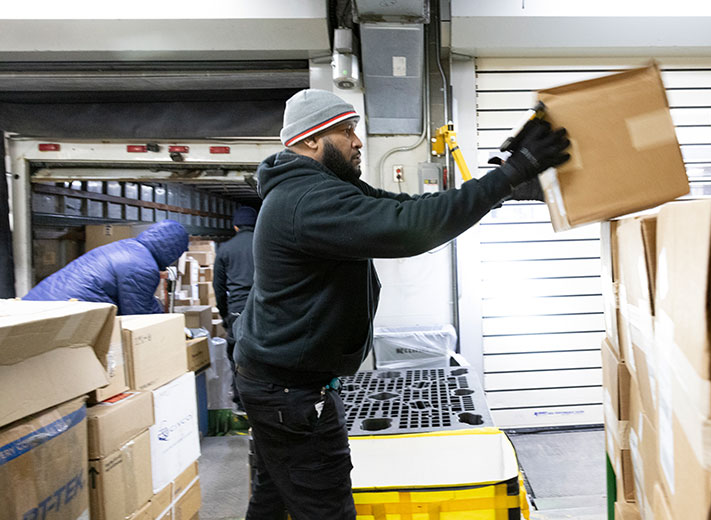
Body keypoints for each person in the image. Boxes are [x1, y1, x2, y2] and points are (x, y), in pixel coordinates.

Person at [232, 88, 569, 520]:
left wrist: (502, 186)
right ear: (312, 140)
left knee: (275, 499)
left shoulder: (323, 189)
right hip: (291, 394)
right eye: (346, 131)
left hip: (278, 384)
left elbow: (412, 206)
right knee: (325, 508)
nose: (357, 142)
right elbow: (411, 229)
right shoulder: (307, 200)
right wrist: (514, 170)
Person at [24, 219, 188, 315]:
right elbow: (140, 316)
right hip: (58, 315)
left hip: (37, 307)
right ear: (172, 250)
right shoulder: (143, 267)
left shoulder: (128, 247)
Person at [213, 206, 257, 409]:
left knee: (237, 356)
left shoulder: (225, 249)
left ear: (235, 226)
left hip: (237, 309)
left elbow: (218, 287)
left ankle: (241, 403)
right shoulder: (264, 244)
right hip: (262, 305)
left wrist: (224, 314)